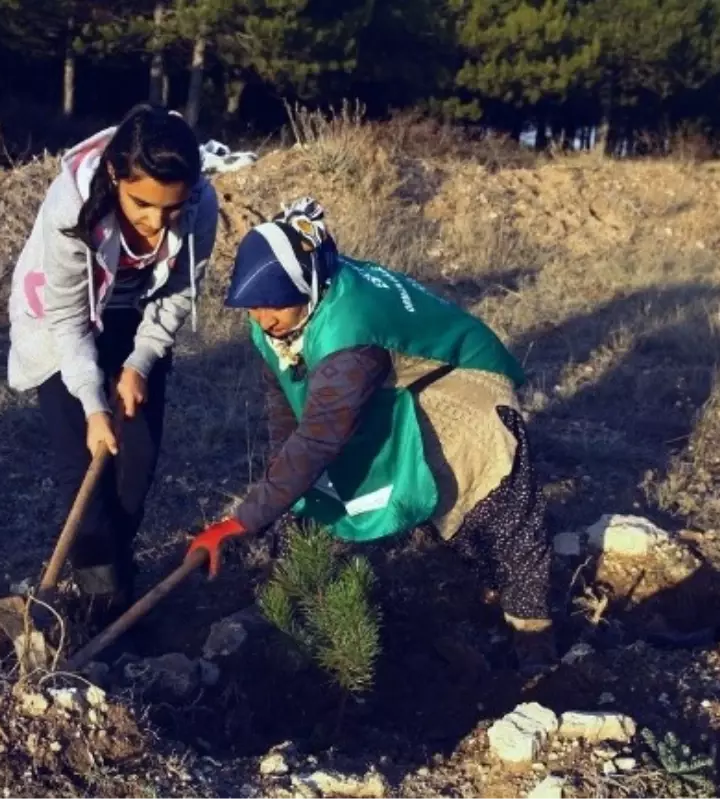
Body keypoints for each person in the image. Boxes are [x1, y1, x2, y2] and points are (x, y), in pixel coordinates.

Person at [185, 198, 555, 672]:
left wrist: (243, 520)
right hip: (399, 381)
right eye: (252, 306)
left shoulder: (349, 332)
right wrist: (282, 493)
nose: (262, 318)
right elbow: (285, 407)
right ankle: (480, 589)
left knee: (489, 503)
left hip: (460, 379)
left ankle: (532, 640)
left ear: (306, 285)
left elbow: (319, 438)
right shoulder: (286, 314)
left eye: (274, 305)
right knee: (326, 478)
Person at [7, 104, 218, 617]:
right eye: (142, 203)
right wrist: (93, 405)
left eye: (170, 208)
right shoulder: (71, 211)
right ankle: (99, 603)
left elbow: (178, 295)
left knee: (135, 468)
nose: (155, 221)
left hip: (136, 320)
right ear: (114, 176)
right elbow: (68, 319)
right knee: (85, 479)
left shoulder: (200, 206)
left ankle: (118, 579)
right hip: (63, 326)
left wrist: (140, 362)